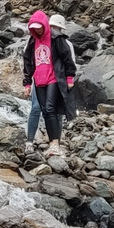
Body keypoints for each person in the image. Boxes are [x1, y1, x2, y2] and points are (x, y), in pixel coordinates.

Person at [22, 10, 76, 144]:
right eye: (53, 27)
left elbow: (69, 60)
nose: (55, 29)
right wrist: (27, 83)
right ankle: (31, 140)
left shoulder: (61, 41)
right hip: (39, 79)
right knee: (38, 109)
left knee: (54, 110)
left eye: (57, 28)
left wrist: (69, 78)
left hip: (55, 79)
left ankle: (55, 141)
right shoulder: (33, 40)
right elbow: (28, 59)